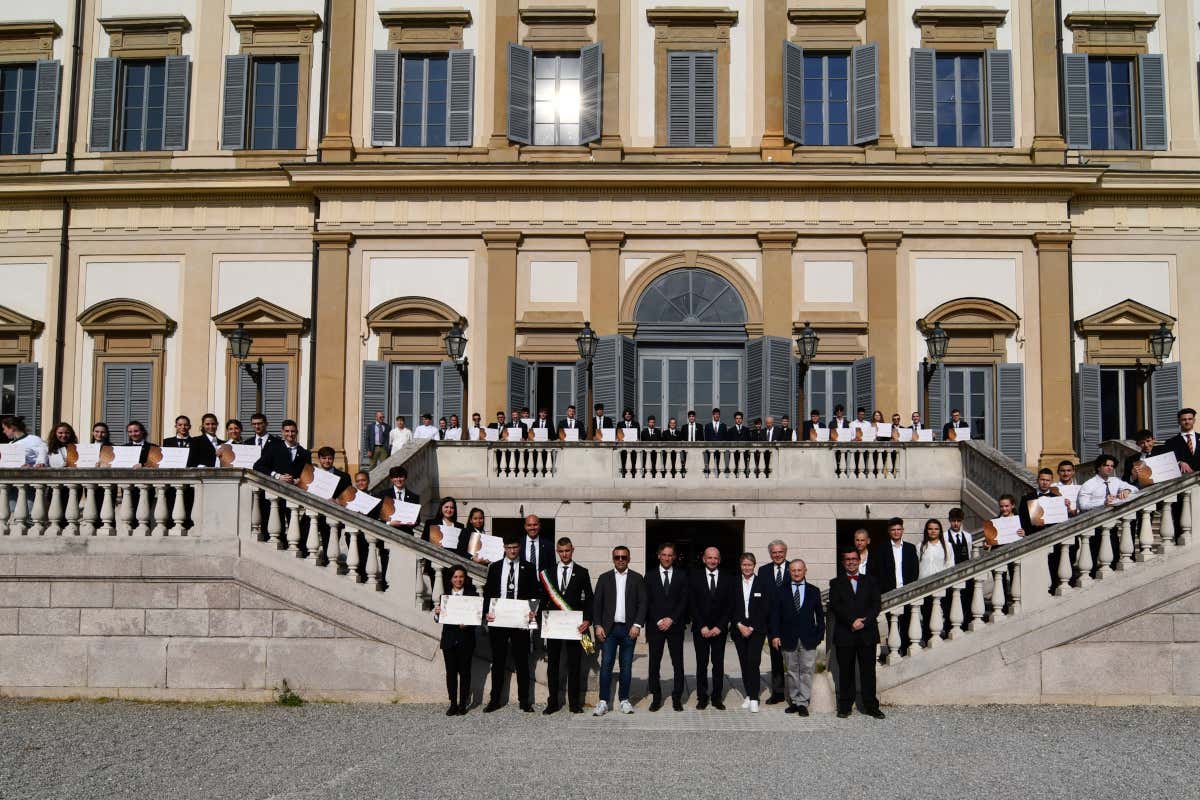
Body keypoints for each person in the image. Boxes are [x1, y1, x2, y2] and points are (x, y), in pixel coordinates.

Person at [482, 537, 540, 712]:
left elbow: (534, 592)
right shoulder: (495, 567)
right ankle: (495, 700)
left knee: (522, 662)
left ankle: (525, 701)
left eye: (515, 547)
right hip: (499, 620)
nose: (512, 551)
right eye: (509, 547)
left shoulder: (529, 568)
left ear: (519, 547)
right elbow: (488, 592)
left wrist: (533, 610)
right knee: (498, 661)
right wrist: (487, 612)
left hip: (519, 620)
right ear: (504, 548)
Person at [829, 550, 884, 719]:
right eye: (848, 559)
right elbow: (836, 606)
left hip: (867, 633)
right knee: (845, 672)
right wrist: (852, 621)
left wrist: (864, 621)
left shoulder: (871, 581)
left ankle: (871, 706)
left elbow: (876, 605)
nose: (851, 562)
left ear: (859, 560)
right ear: (843, 562)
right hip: (845, 633)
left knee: (868, 672)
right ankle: (845, 706)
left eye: (854, 559)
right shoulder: (836, 583)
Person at [540, 537, 593, 715]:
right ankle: (553, 702)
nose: (564, 554)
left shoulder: (582, 572)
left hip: (574, 626)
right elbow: (544, 600)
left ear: (572, 550)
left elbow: (590, 599)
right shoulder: (548, 573)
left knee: (574, 665)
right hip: (554, 626)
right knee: (553, 665)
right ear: (557, 551)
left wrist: (588, 620)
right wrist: (538, 617)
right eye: (561, 551)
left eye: (567, 551)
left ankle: (574, 704)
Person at [591, 544, 645, 716]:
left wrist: (637, 625)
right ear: (613, 558)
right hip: (609, 630)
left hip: (629, 630)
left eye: (624, 557)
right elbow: (596, 605)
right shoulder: (604, 578)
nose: (620, 560)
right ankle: (603, 701)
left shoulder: (637, 578)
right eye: (617, 557)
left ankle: (624, 700)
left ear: (629, 559)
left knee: (626, 666)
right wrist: (597, 625)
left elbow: (643, 604)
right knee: (606, 664)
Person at [769, 559, 824, 716]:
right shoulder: (781, 590)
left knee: (806, 670)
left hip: (808, 638)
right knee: (792, 671)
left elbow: (820, 616)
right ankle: (794, 700)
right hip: (788, 638)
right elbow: (775, 616)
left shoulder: (814, 590)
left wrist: (819, 635)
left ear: (805, 570)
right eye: (793, 570)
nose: (796, 573)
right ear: (789, 572)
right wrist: (775, 635)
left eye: (799, 570)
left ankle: (803, 703)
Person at [645, 541, 688, 712]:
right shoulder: (649, 576)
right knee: (654, 663)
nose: (667, 558)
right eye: (664, 555)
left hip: (675, 627)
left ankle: (677, 697)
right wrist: (658, 620)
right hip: (655, 628)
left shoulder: (682, 575)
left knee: (678, 663)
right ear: (659, 556)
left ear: (674, 557)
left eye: (670, 555)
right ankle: (656, 697)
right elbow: (647, 602)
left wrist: (671, 619)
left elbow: (684, 601)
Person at [690, 546, 733, 710]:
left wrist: (720, 626)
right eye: (709, 558)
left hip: (718, 630)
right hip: (700, 630)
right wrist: (702, 626)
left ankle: (716, 697)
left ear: (719, 560)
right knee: (701, 664)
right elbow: (692, 604)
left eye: (715, 558)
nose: (713, 561)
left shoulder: (728, 578)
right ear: (704, 559)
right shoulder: (694, 577)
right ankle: (702, 697)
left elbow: (730, 605)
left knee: (718, 664)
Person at [433, 565, 478, 716]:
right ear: (451, 579)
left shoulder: (473, 595)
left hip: (466, 639)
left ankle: (463, 704)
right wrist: (437, 613)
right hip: (449, 640)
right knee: (451, 673)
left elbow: (477, 618)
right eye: (455, 577)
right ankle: (453, 703)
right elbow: (439, 619)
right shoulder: (444, 596)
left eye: (461, 577)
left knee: (465, 673)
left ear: (465, 578)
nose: (458, 580)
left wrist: (468, 623)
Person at [729, 553, 770, 713]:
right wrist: (739, 625)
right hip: (739, 629)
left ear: (754, 565)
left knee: (753, 661)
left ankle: (754, 698)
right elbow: (730, 606)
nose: (747, 568)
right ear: (740, 566)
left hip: (756, 629)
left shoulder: (762, 583)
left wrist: (751, 627)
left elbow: (765, 609)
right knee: (744, 662)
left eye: (750, 565)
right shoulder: (733, 583)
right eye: (744, 565)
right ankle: (748, 693)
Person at [870, 517, 918, 653]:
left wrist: (910, 588)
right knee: (893, 622)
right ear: (889, 531)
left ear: (902, 530)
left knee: (907, 621)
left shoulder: (910, 548)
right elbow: (878, 572)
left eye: (898, 529)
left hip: (907, 591)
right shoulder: (881, 549)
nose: (896, 532)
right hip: (890, 592)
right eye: (893, 530)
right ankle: (894, 651)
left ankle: (906, 650)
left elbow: (915, 570)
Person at [756, 540, 789, 704]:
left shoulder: (794, 568)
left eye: (780, 552)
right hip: (771, 623)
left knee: (793, 660)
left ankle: (796, 694)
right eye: (774, 552)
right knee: (776, 659)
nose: (777, 555)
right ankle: (778, 693)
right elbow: (760, 597)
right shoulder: (763, 571)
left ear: (785, 552)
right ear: (770, 554)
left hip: (790, 623)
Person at [1019, 468, 1068, 535]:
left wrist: (1065, 506)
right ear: (1037, 480)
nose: (1045, 483)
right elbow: (1022, 518)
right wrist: (1025, 532)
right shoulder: (1027, 498)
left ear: (1051, 482)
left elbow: (1061, 520)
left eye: (1047, 480)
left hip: (1053, 536)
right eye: (1042, 480)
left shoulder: (1058, 499)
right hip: (1033, 536)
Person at [377, 465, 420, 531]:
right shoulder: (383, 494)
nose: (398, 479)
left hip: (406, 534)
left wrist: (414, 523)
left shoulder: (414, 497)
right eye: (395, 477)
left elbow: (418, 519)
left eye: (401, 477)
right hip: (388, 533)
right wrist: (389, 523)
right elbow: (378, 515)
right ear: (391, 479)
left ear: (405, 478)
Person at [1164, 408, 1200, 474]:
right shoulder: (1170, 442)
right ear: (1179, 422)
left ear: (1194, 420)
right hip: (1183, 481)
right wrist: (1179, 462)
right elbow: (1167, 462)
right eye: (1184, 419)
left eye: (1190, 419)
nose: (1187, 422)